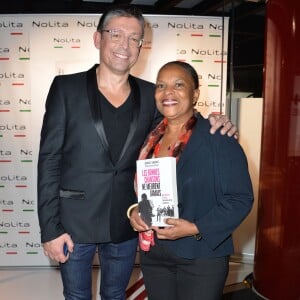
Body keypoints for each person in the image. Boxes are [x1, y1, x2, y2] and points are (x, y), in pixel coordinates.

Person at [37, 5, 238, 300]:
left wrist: (215, 122)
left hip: (127, 220)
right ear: (98, 39)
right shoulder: (66, 88)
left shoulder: (150, 94)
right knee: (76, 296)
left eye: (134, 38)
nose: (125, 45)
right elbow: (49, 160)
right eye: (116, 34)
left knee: (116, 295)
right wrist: (49, 229)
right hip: (73, 222)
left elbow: (178, 127)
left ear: (141, 46)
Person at [128, 61, 254, 300]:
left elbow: (240, 198)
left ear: (195, 93)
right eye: (161, 85)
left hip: (201, 256)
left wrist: (195, 228)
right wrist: (135, 212)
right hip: (154, 254)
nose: (168, 92)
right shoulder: (150, 139)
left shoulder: (218, 137)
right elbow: (143, 192)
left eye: (179, 85)